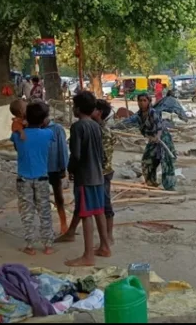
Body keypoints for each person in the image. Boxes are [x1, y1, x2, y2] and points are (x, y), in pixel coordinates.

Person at [61, 91, 110, 267]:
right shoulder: (96, 126)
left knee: (86, 214)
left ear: (78, 108)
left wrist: (70, 169)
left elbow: (76, 154)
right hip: (98, 174)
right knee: (98, 211)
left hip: (85, 176)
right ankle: (105, 246)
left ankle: (88, 255)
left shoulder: (78, 127)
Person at [10, 101, 55, 256]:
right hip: (42, 178)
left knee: (27, 212)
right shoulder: (48, 134)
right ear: (43, 120)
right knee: (44, 211)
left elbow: (17, 146)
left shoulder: (16, 135)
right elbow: (47, 127)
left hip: (23, 179)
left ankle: (30, 246)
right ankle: (48, 245)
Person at [137, 93, 177, 191]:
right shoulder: (138, 115)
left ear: (149, 102)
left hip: (163, 138)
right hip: (152, 139)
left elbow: (159, 127)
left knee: (166, 161)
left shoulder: (153, 113)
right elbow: (141, 128)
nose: (142, 103)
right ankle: (151, 183)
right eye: (140, 100)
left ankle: (169, 186)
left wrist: (157, 137)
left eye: (144, 101)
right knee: (147, 160)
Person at [93, 99, 116, 246]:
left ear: (99, 113)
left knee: (104, 204)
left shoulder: (101, 131)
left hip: (102, 172)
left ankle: (108, 236)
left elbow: (103, 156)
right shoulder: (99, 128)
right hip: (102, 171)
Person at [45, 114, 69, 235]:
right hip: (41, 169)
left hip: (55, 168)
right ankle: (47, 227)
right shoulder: (34, 128)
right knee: (42, 199)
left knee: (58, 198)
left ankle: (63, 224)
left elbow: (63, 149)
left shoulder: (57, 128)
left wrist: (63, 167)